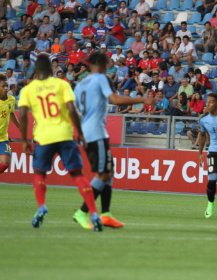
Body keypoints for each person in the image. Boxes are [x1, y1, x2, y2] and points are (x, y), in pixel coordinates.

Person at [18, 54, 103, 231]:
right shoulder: (61, 84)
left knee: (40, 173)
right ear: (50, 69)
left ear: (35, 70)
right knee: (78, 175)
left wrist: (25, 140)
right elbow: (72, 109)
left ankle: (41, 206)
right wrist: (80, 133)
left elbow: (23, 114)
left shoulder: (28, 89)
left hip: (43, 137)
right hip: (65, 135)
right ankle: (94, 213)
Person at [73, 52, 154, 229]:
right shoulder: (100, 78)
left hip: (87, 132)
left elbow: (75, 110)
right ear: (101, 64)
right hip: (96, 132)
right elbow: (115, 100)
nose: (109, 65)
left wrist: (79, 132)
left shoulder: (79, 85)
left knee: (108, 171)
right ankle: (82, 212)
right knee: (103, 173)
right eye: (108, 63)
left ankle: (106, 214)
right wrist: (142, 99)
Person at [0, 74, 20, 175]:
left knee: (5, 163)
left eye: (6, 86)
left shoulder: (11, 99)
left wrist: (21, 127)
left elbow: (11, 113)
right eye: (3, 86)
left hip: (3, 138)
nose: (6, 88)